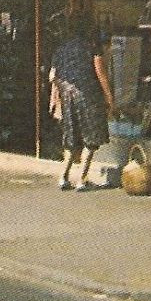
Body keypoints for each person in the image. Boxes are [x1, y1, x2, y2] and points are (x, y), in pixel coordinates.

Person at [48, 12, 114, 191]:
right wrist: (109, 96)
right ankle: (82, 179)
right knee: (90, 138)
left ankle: (63, 177)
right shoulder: (92, 46)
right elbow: (100, 72)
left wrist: (55, 98)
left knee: (71, 136)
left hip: (66, 94)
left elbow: (52, 76)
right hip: (88, 94)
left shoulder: (61, 49)